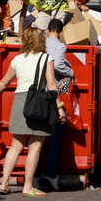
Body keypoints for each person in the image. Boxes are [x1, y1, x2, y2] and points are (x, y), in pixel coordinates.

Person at [0, 28, 66, 197]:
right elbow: (52, 85)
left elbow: (5, 81)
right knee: (35, 147)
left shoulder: (17, 59)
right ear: (40, 40)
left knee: (15, 146)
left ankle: (4, 183)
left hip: (20, 102)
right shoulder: (46, 58)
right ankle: (28, 186)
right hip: (40, 103)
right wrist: (59, 107)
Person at [39, 19, 76, 191]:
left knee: (37, 136)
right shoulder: (60, 47)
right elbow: (59, 65)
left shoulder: (39, 43)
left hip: (36, 93)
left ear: (47, 30)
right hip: (51, 94)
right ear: (60, 33)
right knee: (56, 135)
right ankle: (51, 174)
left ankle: (33, 173)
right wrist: (72, 72)